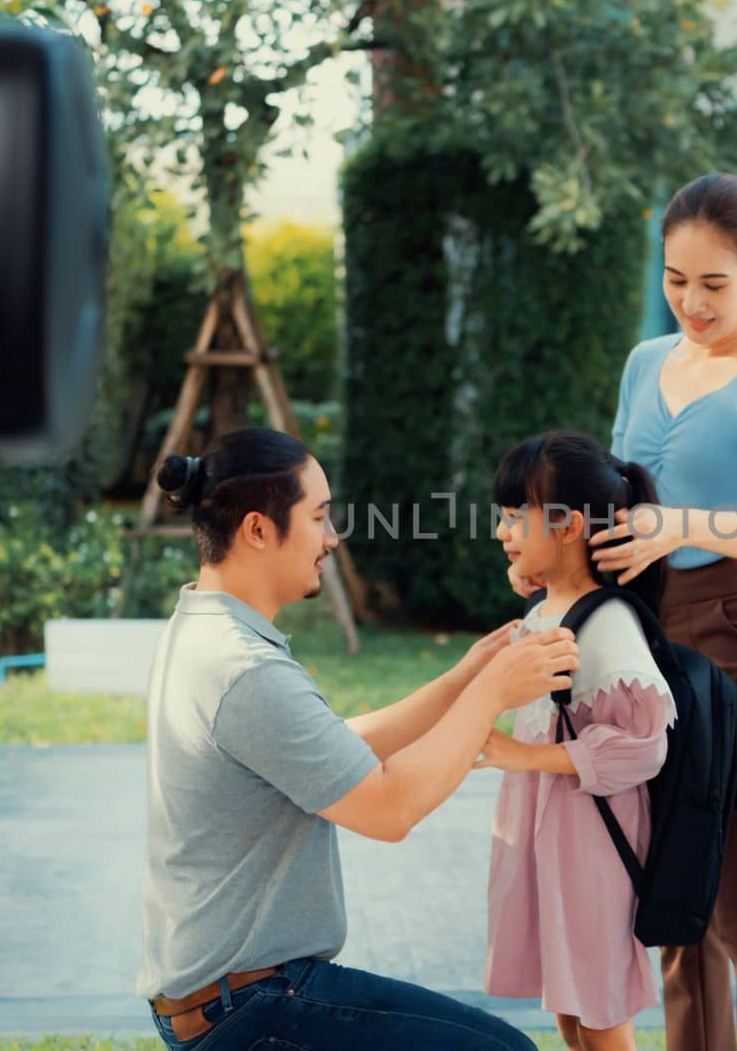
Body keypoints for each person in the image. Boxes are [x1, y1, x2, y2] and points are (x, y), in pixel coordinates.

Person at [515, 172, 737, 1051]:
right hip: (650, 647)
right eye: (675, 280)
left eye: (715, 284)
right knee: (672, 908)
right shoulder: (646, 363)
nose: (691, 303)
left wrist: (678, 525)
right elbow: (619, 510)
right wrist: (555, 567)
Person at [136, 427, 579, 1051]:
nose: (332, 537)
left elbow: (328, 749)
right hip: (251, 1006)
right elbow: (390, 809)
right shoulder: (245, 670)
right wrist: (491, 696)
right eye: (319, 517)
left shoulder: (202, 629)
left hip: (226, 997)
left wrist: (461, 681)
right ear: (259, 530)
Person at [473, 431, 677, 1051]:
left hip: (592, 840)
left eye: (514, 518)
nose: (502, 532)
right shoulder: (552, 608)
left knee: (596, 1002)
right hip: (549, 828)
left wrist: (523, 756)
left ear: (565, 527)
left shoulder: (609, 624)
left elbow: (645, 745)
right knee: (567, 1000)